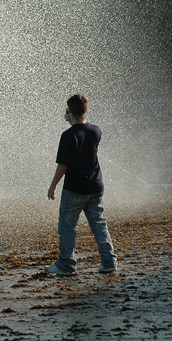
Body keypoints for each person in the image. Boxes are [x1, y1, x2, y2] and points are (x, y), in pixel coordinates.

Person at [47, 94, 117, 275]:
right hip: (95, 185)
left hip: (75, 188)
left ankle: (66, 264)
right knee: (99, 224)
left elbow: (64, 164)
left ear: (69, 111)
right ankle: (108, 261)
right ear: (86, 110)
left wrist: (53, 185)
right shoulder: (96, 131)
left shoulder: (68, 135)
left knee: (67, 226)